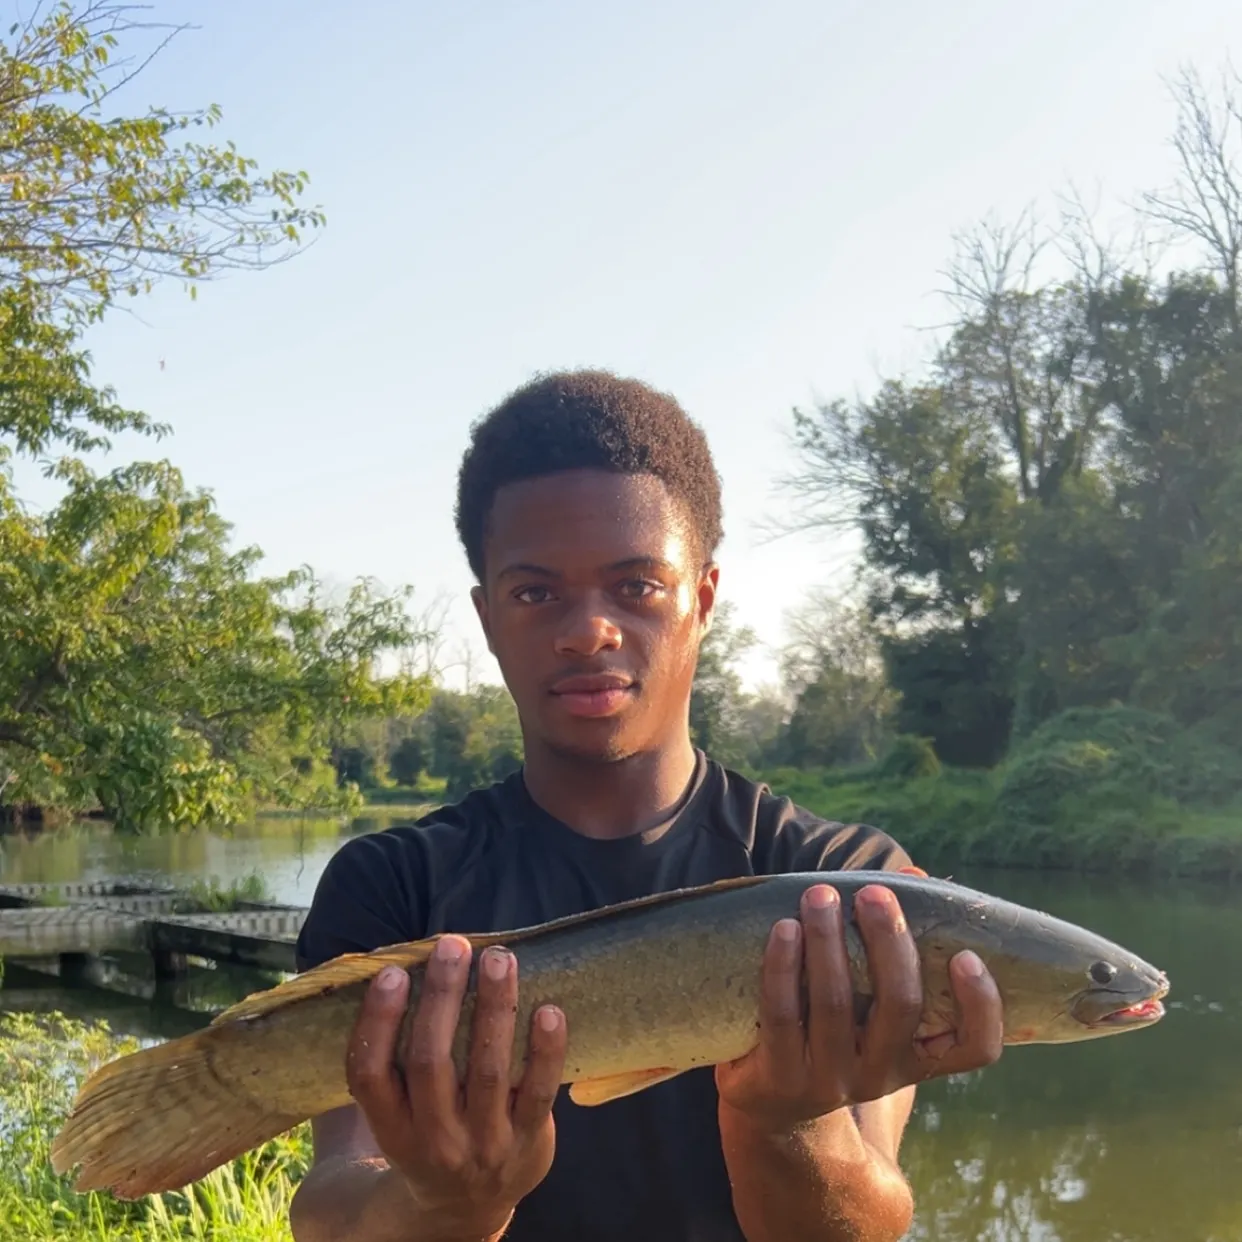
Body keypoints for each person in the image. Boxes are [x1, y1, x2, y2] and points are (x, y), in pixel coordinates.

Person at [288, 370, 1004, 1242]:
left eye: (637, 587)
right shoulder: (390, 886)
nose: (589, 629)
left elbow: (868, 1222)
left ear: (701, 598)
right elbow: (330, 1209)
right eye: (535, 592)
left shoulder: (853, 891)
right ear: (485, 618)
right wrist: (445, 1203)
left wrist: (787, 1121)